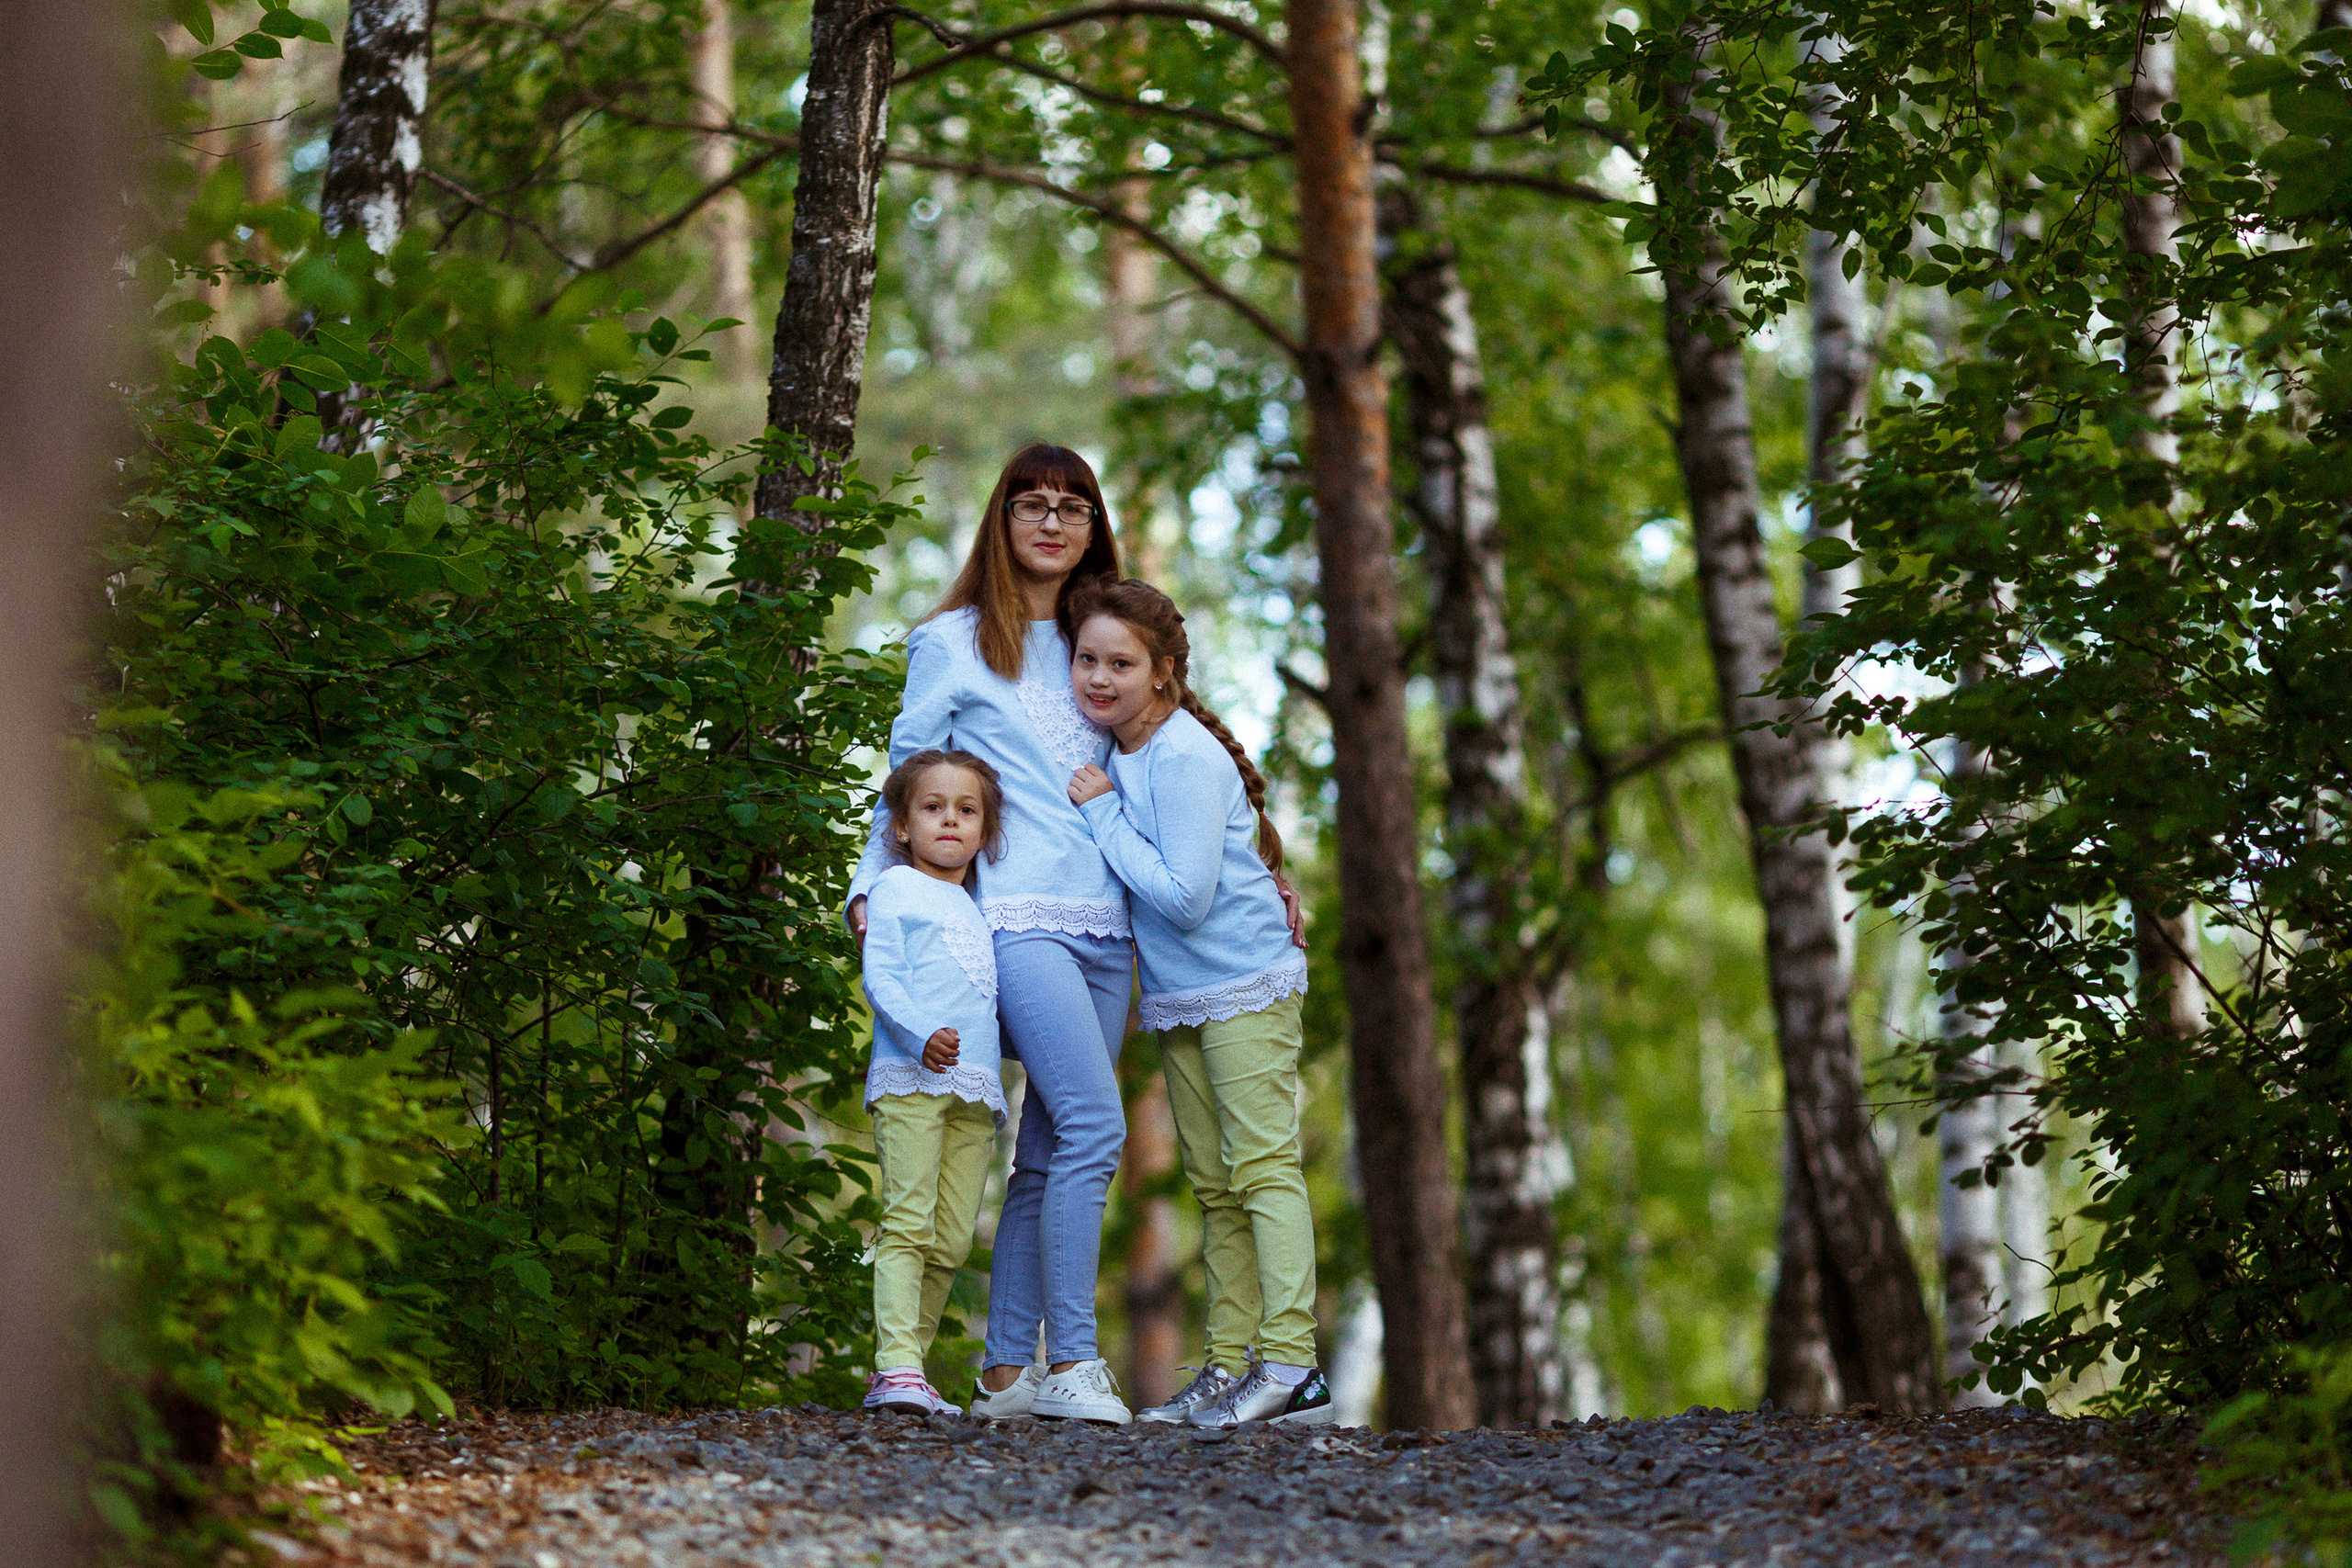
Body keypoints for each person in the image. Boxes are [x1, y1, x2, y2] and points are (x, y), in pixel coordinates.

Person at [845, 445, 1137, 1424]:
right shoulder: (954, 641)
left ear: (1094, 527)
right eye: (1033, 505)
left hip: (1114, 923)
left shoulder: (1112, 640)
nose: (1053, 523)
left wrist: (1263, 862)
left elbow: (1177, 751)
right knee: (1096, 1128)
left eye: (1074, 509)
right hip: (1016, 918)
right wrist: (869, 887)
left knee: (1051, 1148)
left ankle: (1006, 1374)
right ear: (1001, 518)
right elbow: (907, 771)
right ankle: (1076, 1367)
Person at [1063, 578, 1334, 1428]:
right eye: (1087, 660)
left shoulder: (1178, 753)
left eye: (1121, 663)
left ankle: (1293, 1366)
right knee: (1215, 1186)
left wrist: (1104, 818)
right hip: (1181, 993)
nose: (1099, 678)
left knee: (1261, 1170)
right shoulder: (1121, 749)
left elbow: (1183, 896)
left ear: (1164, 672)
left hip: (1244, 981)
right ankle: (1228, 1365)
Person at [858, 750, 1009, 1419]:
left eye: (966, 809)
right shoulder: (894, 890)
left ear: (984, 830)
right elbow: (881, 975)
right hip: (910, 1077)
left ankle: (903, 1369)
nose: (950, 819)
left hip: (976, 1089)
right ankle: (897, 1365)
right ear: (901, 826)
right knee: (909, 1221)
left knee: (951, 1238)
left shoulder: (979, 905)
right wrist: (920, 1032)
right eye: (933, 806)